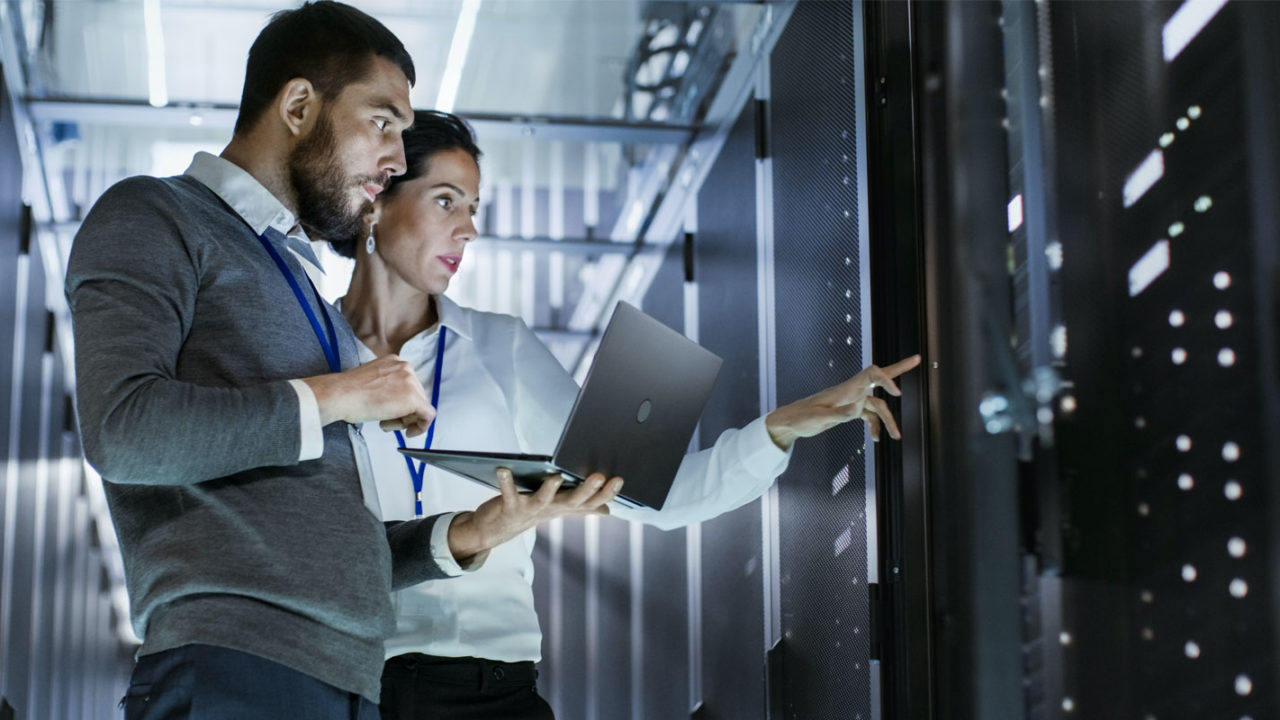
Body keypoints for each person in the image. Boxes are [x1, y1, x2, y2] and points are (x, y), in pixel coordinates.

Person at [65, 5, 616, 719]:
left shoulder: (297, 285)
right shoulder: (156, 215)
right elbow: (123, 431)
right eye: (382, 122)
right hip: (235, 667)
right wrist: (337, 396)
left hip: (345, 683)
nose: (393, 158)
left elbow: (329, 543)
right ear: (298, 105)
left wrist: (469, 534)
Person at [334, 110, 922, 719]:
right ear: (377, 200)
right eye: (447, 202)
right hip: (338, 685)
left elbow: (651, 496)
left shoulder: (498, 347)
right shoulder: (307, 357)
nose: (469, 230)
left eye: (474, 208)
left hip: (486, 693)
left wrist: (782, 427)